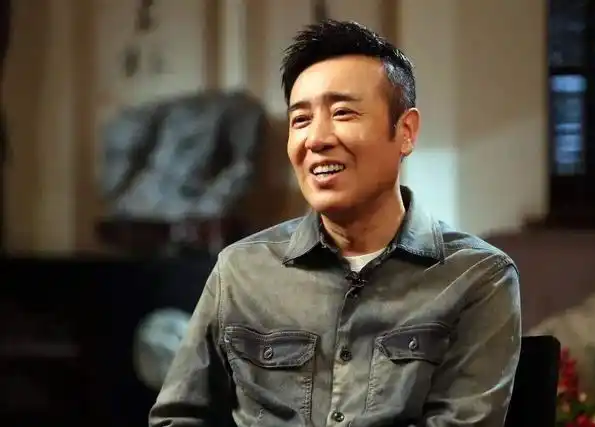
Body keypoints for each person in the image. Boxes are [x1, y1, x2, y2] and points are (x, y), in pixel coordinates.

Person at [149, 19, 521, 427]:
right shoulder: (240, 271)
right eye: (301, 120)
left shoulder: (476, 277)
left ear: (406, 131)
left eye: (343, 113)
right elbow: (178, 416)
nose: (317, 139)